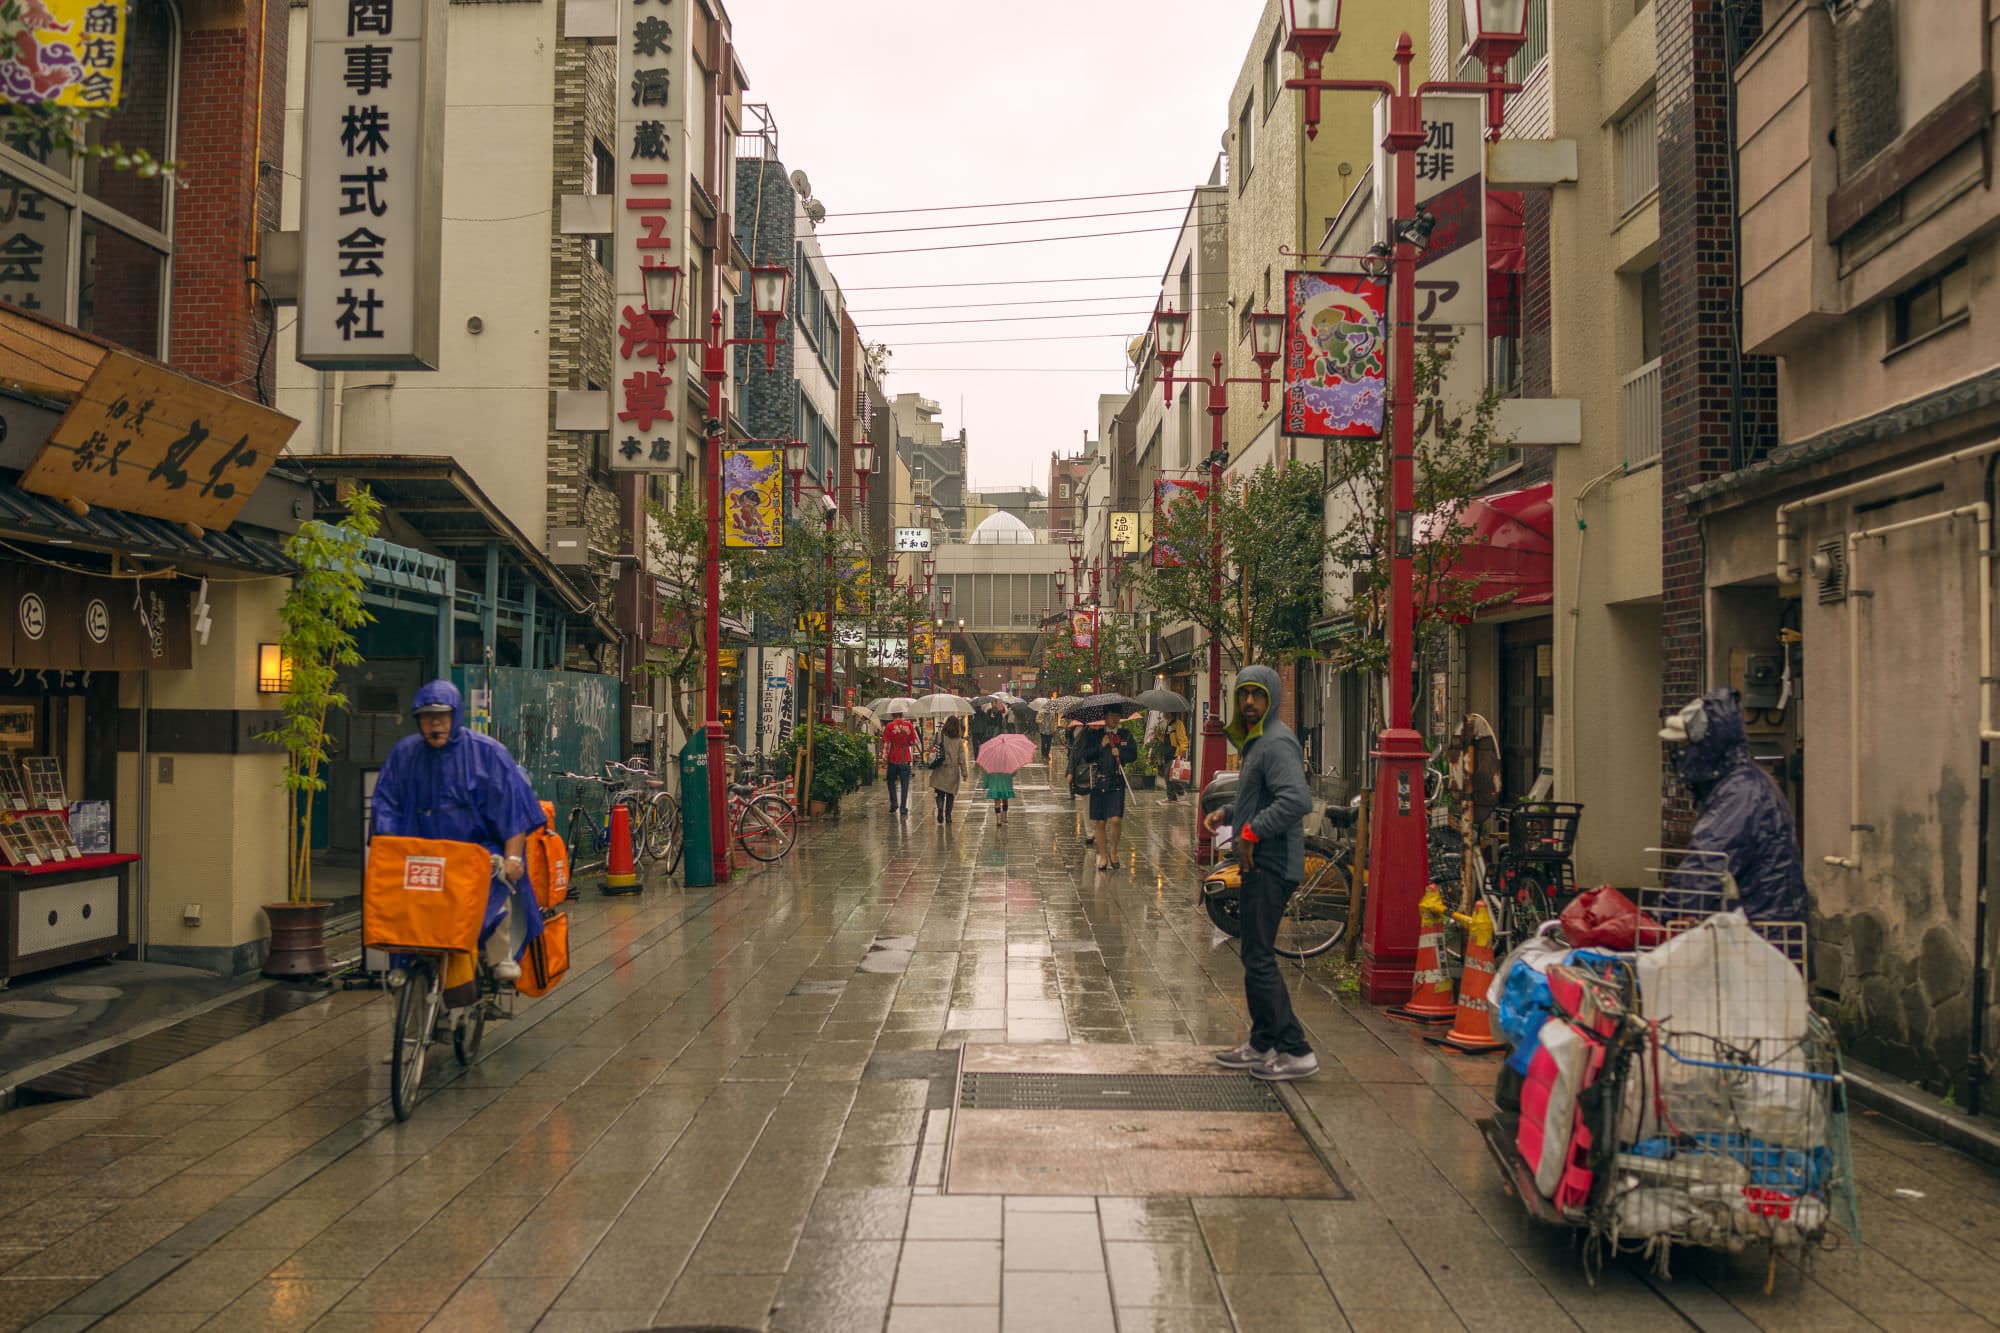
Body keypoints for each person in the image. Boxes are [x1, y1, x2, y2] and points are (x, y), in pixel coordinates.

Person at [371, 679, 545, 985]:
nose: (434, 724)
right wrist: (387, 845)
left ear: (456, 716)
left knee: (498, 886)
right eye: (426, 717)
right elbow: (387, 804)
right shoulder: (405, 754)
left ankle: (499, 956)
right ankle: (400, 956)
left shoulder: (487, 754)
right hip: (420, 851)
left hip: (476, 852)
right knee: (398, 897)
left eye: (441, 716)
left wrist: (513, 856)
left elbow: (513, 812)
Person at [1202, 667, 1318, 1082]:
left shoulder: (1277, 742)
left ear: (1272, 698)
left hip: (1272, 863)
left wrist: (1250, 831)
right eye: (1244, 694)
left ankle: (1295, 1048)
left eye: (1258, 695)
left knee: (1259, 956)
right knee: (1253, 953)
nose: (1249, 702)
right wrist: (1229, 814)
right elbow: (1263, 797)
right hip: (1257, 861)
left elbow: (1295, 800)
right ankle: (1263, 1040)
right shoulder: (1257, 742)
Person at [1660, 688, 1807, 923]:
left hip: (1758, 937)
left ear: (1706, 745)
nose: (1681, 753)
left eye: (1686, 744)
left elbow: (1707, 863)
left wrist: (1664, 917)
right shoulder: (1739, 785)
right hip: (1761, 929)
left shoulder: (1740, 794)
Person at [1077, 712, 1137, 872]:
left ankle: (1113, 852)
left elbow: (1133, 754)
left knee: (1116, 819)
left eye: (1117, 716)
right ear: (1105, 718)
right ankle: (1103, 855)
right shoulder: (1094, 735)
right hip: (1099, 781)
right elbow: (1086, 755)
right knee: (1100, 821)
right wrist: (1100, 746)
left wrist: (1121, 753)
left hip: (1116, 780)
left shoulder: (1125, 735)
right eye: (1111, 716)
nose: (1115, 719)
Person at [929, 715, 967, 824]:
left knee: (940, 791)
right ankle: (948, 815)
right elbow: (962, 757)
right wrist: (964, 772)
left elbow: (932, 747)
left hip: (940, 768)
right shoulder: (959, 741)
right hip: (953, 770)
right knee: (950, 794)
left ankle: (940, 807)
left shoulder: (940, 736)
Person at [880, 710, 919, 817]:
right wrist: (906, 742)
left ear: (893, 715)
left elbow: (887, 744)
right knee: (905, 784)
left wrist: (884, 759)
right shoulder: (909, 725)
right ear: (902, 714)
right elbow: (913, 742)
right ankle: (903, 807)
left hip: (893, 758)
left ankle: (894, 802)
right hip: (905, 758)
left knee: (891, 781)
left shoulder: (889, 726)